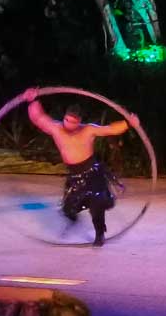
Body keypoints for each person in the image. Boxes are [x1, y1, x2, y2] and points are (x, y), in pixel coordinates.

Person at [23, 88, 137, 246]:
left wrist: (128, 123)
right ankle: (73, 219)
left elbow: (109, 129)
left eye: (73, 122)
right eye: (67, 120)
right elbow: (39, 118)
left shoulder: (87, 130)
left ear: (79, 121)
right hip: (74, 175)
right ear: (64, 118)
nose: (69, 125)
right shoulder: (56, 128)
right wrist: (32, 100)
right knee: (68, 209)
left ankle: (99, 233)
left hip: (92, 173)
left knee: (97, 203)